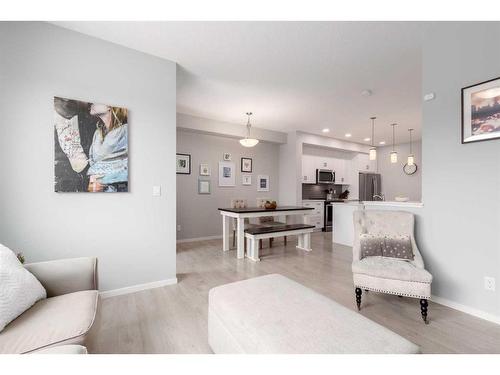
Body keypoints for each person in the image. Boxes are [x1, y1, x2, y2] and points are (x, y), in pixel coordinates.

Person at [87, 103, 128, 192]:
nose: (91, 104)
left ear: (109, 106)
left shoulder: (125, 130)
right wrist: (92, 180)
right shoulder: (97, 133)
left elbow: (125, 164)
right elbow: (92, 161)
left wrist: (99, 177)